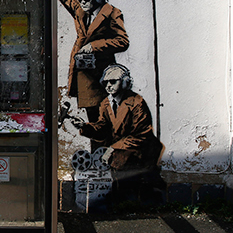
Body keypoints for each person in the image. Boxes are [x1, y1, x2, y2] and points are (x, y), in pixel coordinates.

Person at [70, 64, 164, 201]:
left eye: (113, 81)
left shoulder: (136, 103)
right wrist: (84, 126)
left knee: (144, 192)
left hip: (142, 155)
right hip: (121, 157)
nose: (108, 85)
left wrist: (113, 148)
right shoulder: (106, 104)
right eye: (106, 82)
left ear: (125, 82)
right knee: (121, 191)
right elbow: (103, 128)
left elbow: (140, 135)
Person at [57, 0, 129, 127]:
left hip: (102, 78)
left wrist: (95, 46)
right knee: (94, 124)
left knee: (105, 123)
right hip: (85, 79)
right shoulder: (82, 13)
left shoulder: (112, 13)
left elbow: (123, 41)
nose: (82, 3)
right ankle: (98, 149)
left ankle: (105, 150)